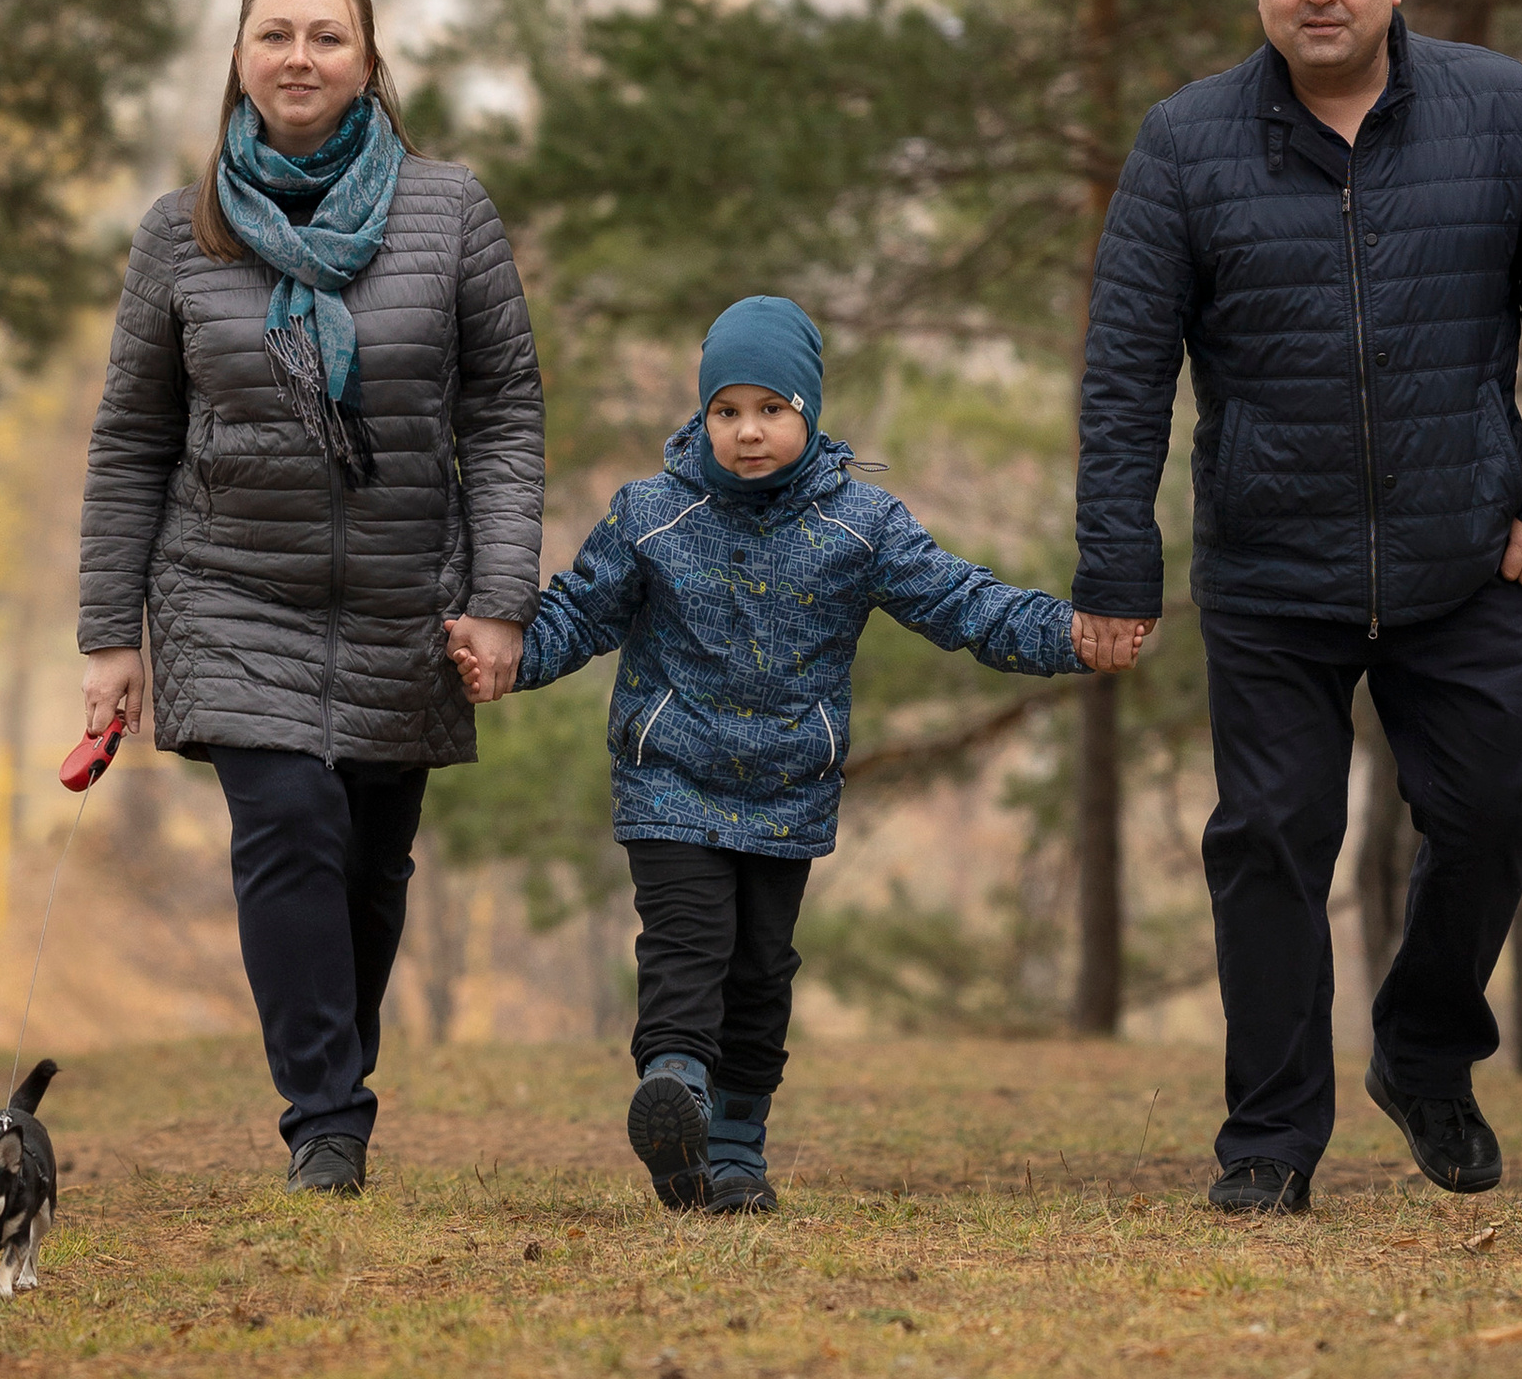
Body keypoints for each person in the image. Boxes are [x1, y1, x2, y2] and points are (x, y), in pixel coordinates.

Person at [1075, 0, 1522, 1215]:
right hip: (1272, 572)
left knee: (1497, 811)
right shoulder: (1185, 144)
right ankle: (1268, 1143)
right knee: (1271, 839)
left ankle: (1427, 1048)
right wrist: (1115, 564)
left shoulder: (1501, 111)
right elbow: (1124, 373)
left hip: (1467, 561)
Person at [452, 294, 1090, 1213]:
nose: (748, 432)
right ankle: (675, 1095)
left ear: (809, 412)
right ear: (702, 415)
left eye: (771, 410)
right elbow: (574, 617)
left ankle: (736, 1152)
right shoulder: (650, 515)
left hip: (789, 788)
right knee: (688, 947)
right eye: (726, 411)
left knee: (760, 974)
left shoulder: (860, 526)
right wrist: (506, 664)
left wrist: (1067, 632)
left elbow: (964, 604)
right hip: (671, 777)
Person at [78, 0, 543, 1193]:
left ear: (369, 62)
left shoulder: (449, 211)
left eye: (326, 37)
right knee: (286, 825)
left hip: (406, 595)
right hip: (230, 589)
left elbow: (501, 411)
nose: (298, 57)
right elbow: (132, 436)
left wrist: (500, 600)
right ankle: (326, 1123)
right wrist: (109, 634)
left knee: (368, 868)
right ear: (237, 59)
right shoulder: (181, 235)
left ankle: (333, 1080)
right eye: (274, 34)